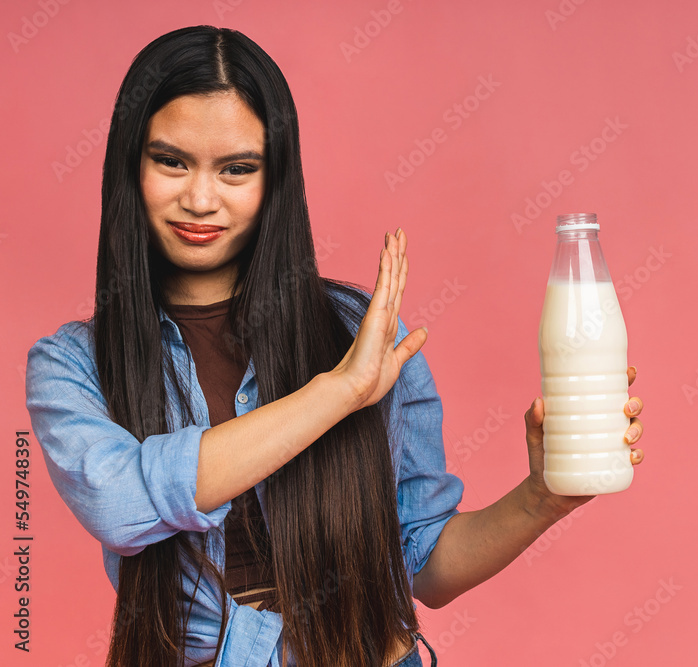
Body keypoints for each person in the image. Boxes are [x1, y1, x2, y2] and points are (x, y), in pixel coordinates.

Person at [24, 25, 646, 667]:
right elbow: (121, 504)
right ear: (132, 165)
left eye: (237, 169)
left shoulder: (362, 333)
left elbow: (425, 562)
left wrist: (540, 498)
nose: (200, 199)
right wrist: (338, 393)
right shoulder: (71, 364)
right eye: (172, 161)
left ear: (276, 180)